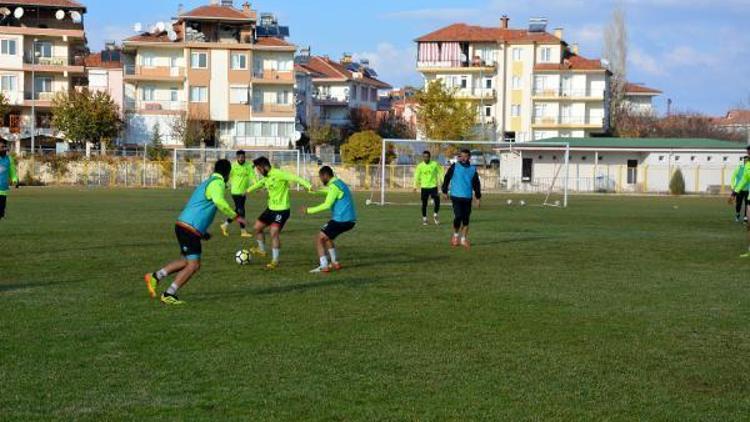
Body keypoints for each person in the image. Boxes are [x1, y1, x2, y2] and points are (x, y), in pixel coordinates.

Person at [144, 159, 246, 305]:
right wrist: (236, 217)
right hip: (188, 228)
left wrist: (202, 232)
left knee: (185, 261)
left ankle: (155, 276)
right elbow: (219, 202)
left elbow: (199, 205)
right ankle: (168, 293)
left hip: (184, 225)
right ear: (227, 173)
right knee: (194, 265)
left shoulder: (208, 182)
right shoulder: (218, 183)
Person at [246, 156, 312, 269]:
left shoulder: (279, 174)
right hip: (270, 209)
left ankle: (275, 260)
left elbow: (295, 177)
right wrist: (247, 190)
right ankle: (261, 250)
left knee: (273, 233)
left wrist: (309, 186)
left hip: (282, 210)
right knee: (257, 228)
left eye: (259, 169)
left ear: (265, 167)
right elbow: (261, 183)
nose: (258, 171)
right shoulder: (266, 177)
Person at [303, 166, 357, 273]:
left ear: (325, 176)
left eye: (321, 177)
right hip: (350, 220)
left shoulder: (334, 186)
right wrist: (315, 191)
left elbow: (327, 204)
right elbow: (328, 191)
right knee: (327, 238)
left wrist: (309, 210)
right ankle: (335, 263)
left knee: (319, 238)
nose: (321, 180)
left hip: (341, 220)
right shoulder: (339, 183)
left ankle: (324, 266)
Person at [442, 149, 481, 249]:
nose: (463, 158)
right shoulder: (455, 166)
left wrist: (478, 197)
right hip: (456, 196)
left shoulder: (472, 169)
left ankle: (463, 239)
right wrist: (445, 191)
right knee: (458, 216)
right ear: (459, 157)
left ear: (469, 157)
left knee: (466, 220)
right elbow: (447, 178)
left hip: (467, 197)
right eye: (461, 156)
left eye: (466, 156)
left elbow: (476, 184)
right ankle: (455, 236)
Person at [221, 150, 256, 237]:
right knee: (241, 211)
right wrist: (224, 184)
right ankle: (243, 231)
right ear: (237, 157)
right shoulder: (233, 166)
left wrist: (256, 184)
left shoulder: (248, 166)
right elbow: (228, 176)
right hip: (235, 192)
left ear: (245, 157)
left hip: (244, 192)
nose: (241, 158)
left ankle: (225, 225)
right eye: (239, 157)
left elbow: (252, 176)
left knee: (237, 211)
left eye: (242, 157)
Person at [414, 150, 444, 226]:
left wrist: (442, 181)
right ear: (422, 157)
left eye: (427, 157)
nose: (425, 158)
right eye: (424, 157)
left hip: (433, 186)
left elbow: (440, 172)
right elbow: (416, 176)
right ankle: (424, 219)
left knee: (437, 201)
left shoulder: (434, 164)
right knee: (424, 204)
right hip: (424, 187)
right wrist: (415, 186)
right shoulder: (420, 166)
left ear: (429, 157)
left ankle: (435, 215)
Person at [0, 139, 19, 221]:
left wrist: (15, 180)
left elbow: (12, 172)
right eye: (1, 147)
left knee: (0, 214)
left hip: (3, 191)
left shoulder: (9, 159)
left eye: (4, 146)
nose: (3, 148)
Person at [731, 156, 750, 223]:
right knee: (738, 204)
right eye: (745, 160)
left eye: (747, 160)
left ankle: (745, 217)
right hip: (739, 189)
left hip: (748, 189)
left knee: (747, 204)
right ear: (743, 161)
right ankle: (738, 214)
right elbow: (733, 177)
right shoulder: (739, 168)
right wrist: (733, 187)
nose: (746, 162)